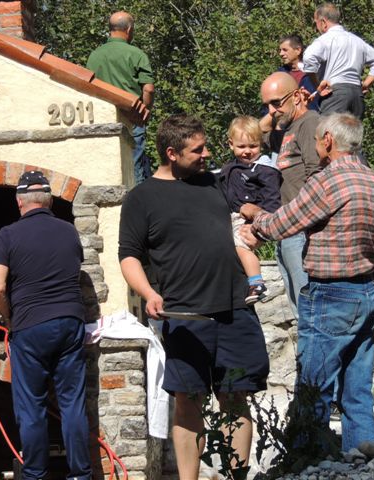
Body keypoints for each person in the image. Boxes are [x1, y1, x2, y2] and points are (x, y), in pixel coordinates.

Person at [119, 114, 269, 479]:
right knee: (187, 401)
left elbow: (248, 223)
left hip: (235, 312)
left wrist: (256, 231)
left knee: (235, 397)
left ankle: (236, 476)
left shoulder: (216, 184)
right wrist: (149, 293)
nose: (206, 154)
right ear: (172, 153)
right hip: (186, 321)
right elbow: (128, 256)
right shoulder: (142, 198)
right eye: (197, 150)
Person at [240, 112, 374, 452]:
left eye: (316, 140)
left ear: (327, 140)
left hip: (329, 293)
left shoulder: (328, 182)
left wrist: (255, 218)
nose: (314, 145)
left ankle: (308, 460)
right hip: (367, 293)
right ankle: (362, 457)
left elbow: (285, 223)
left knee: (315, 384)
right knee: (357, 386)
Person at [0, 171, 91, 480]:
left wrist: (8, 317)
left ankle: (34, 474)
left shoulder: (7, 235)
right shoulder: (69, 231)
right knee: (72, 403)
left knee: (31, 407)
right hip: (71, 322)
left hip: (30, 326)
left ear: (19, 201)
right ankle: (80, 475)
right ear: (48, 201)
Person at [259, 72, 321, 320]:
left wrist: (302, 224)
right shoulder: (286, 129)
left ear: (297, 96)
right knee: (299, 308)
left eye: (276, 102)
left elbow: (316, 176)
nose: (272, 111)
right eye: (266, 105)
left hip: (301, 231)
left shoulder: (310, 123)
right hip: (286, 230)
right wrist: (273, 111)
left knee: (308, 307)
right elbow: (256, 131)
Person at [218, 116, 282, 304]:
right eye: (242, 146)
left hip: (250, 219)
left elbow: (272, 200)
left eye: (253, 146)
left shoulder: (265, 169)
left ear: (261, 144)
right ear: (231, 144)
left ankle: (257, 282)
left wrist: (261, 223)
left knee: (241, 246)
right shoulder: (230, 168)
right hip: (231, 216)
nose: (247, 151)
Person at [87, 11, 155, 184]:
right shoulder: (136, 54)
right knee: (134, 169)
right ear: (129, 29)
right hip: (132, 118)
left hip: (104, 121)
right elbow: (148, 89)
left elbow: (89, 87)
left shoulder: (94, 56)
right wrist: (144, 111)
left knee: (110, 168)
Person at [303, 2, 374, 119]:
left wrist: (317, 85)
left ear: (323, 22)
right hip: (356, 96)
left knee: (328, 133)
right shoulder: (357, 41)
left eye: (316, 23)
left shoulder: (325, 40)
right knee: (352, 135)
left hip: (335, 94)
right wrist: (365, 84)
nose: (316, 27)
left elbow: (308, 57)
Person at [277, 34, 319, 111]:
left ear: (298, 50)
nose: (281, 54)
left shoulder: (313, 73)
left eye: (285, 50)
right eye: (280, 50)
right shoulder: (279, 74)